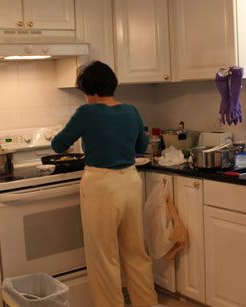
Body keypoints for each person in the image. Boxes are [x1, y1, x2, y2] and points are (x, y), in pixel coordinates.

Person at [51, 61, 160, 307]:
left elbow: (58, 145)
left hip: (101, 185)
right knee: (136, 252)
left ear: (91, 90)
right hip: (130, 182)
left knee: (104, 257)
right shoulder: (131, 111)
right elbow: (141, 146)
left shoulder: (86, 112)